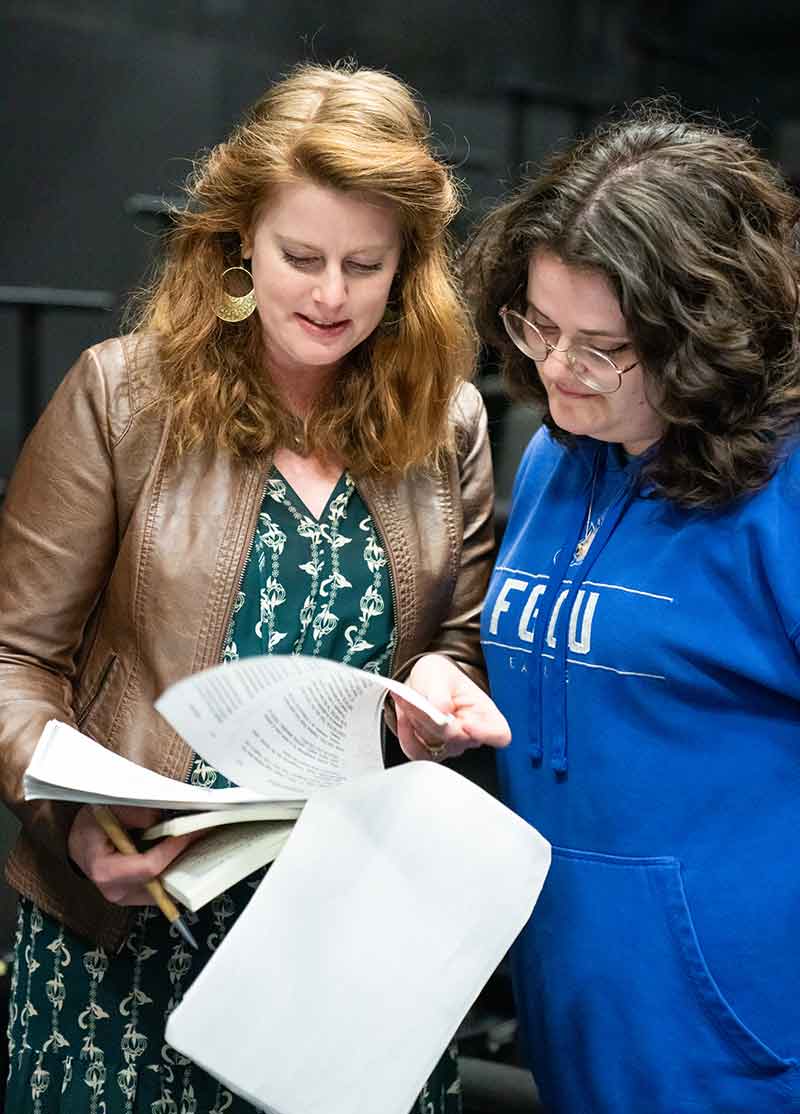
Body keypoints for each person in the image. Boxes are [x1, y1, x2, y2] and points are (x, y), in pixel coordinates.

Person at [0, 61, 510, 1114]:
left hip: (346, 940)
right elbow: (15, 660)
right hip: (131, 932)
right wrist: (75, 824)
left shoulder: (446, 420)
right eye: (300, 256)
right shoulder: (122, 396)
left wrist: (436, 692)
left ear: (406, 264)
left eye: (364, 266)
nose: (330, 296)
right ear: (238, 239)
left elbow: (451, 644)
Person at [463, 104, 800, 1114]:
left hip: (746, 1027)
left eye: (601, 345)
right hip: (577, 1004)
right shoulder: (555, 455)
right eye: (538, 323)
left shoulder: (780, 489)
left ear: (702, 335)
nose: (557, 368)